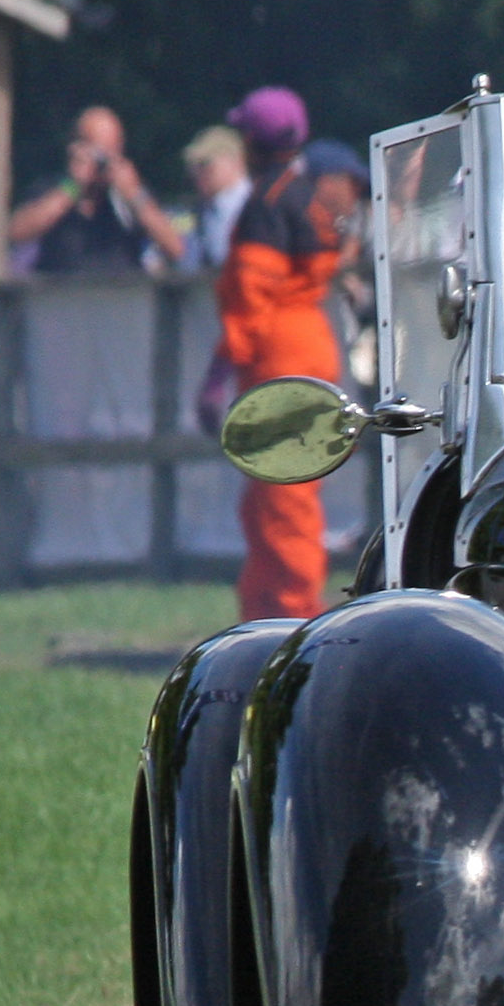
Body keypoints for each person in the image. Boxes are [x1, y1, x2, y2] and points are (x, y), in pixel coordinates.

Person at [216, 86, 356, 620]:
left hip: (277, 353)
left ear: (251, 142)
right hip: (311, 340)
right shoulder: (308, 195)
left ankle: (295, 611)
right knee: (266, 499)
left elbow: (252, 293)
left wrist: (226, 361)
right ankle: (263, 609)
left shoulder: (265, 205)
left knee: (284, 499)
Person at [9, 105, 188, 273]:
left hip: (121, 298)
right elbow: (17, 232)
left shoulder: (131, 196)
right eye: (98, 151)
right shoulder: (55, 188)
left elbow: (175, 249)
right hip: (63, 297)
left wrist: (134, 195)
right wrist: (73, 186)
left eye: (111, 151)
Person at [181, 124, 250, 269]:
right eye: (193, 166)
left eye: (206, 164)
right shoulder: (203, 209)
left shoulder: (252, 203)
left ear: (235, 162)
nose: (197, 172)